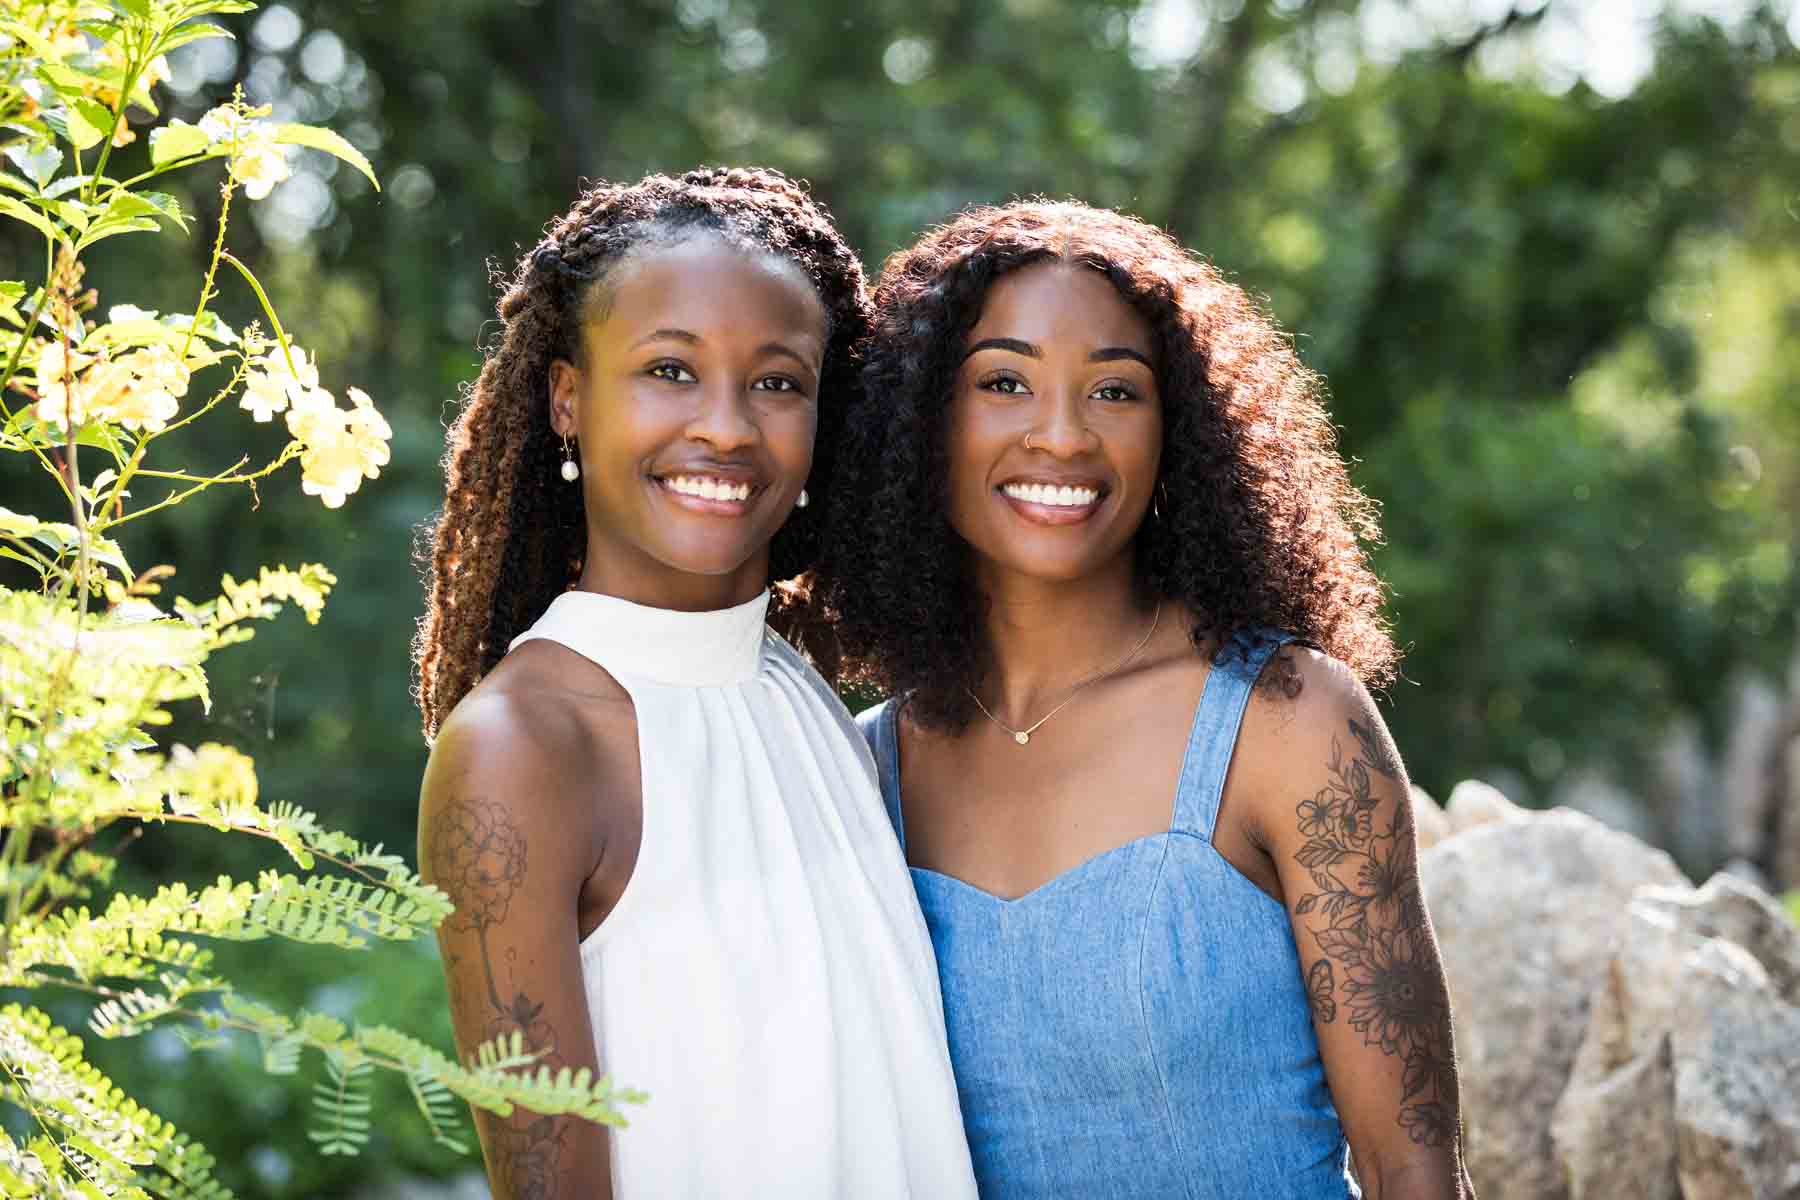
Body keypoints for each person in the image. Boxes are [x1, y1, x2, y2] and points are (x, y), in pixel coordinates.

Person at [826, 199, 1477, 1199]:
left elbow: (1413, 1172)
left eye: (1115, 393)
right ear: (921, 424)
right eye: (1004, 382)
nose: (1063, 436)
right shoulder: (865, 772)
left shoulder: (1289, 721)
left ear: (1179, 432)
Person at [412, 168, 976, 1199]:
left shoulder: (799, 692)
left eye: (776, 381)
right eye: (670, 370)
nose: (725, 425)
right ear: (567, 397)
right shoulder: (524, 746)